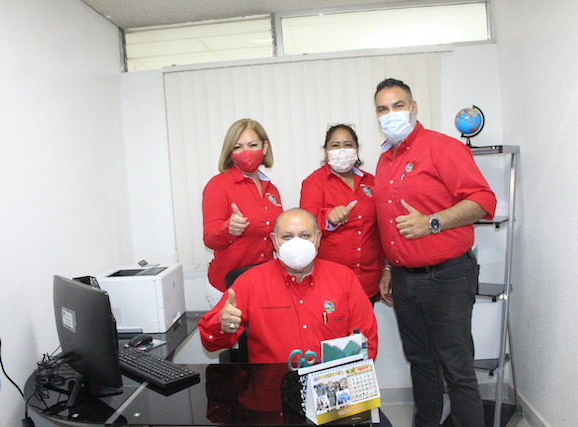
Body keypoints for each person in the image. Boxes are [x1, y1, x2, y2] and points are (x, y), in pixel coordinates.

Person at [373, 78, 496, 427]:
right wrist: (388, 266)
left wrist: (432, 223)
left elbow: (484, 201)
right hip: (404, 280)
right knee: (421, 364)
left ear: (414, 108)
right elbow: (389, 220)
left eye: (398, 106)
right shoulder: (385, 160)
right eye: (382, 109)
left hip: (446, 277)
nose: (390, 114)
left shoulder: (442, 148)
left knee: (457, 369)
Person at [198, 208, 378, 363]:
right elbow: (210, 341)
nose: (296, 243)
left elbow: (366, 341)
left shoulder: (344, 278)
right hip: (271, 386)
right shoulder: (250, 282)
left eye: (305, 235)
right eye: (287, 236)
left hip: (331, 384)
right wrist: (223, 325)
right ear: (274, 241)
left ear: (318, 238)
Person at [300, 124, 388, 303]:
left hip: (369, 279)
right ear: (326, 151)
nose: (342, 150)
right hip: (330, 281)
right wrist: (329, 218)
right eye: (335, 145)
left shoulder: (371, 181)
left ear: (357, 149)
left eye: (348, 145)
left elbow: (382, 229)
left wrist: (387, 268)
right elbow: (306, 228)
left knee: (365, 322)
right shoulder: (314, 182)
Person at [202, 118, 283, 306]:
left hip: (262, 284)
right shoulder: (218, 186)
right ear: (230, 152)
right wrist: (228, 229)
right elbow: (209, 239)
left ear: (264, 147)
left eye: (252, 145)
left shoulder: (271, 190)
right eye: (238, 147)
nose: (246, 152)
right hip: (227, 287)